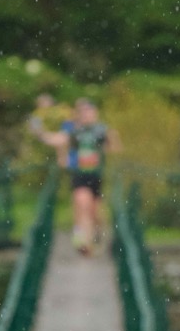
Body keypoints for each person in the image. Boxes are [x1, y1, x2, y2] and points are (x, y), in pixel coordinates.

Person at [39, 99, 120, 254]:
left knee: (96, 212)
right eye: (83, 113)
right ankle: (83, 241)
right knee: (82, 204)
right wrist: (61, 156)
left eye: (89, 112)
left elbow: (114, 149)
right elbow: (60, 141)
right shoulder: (75, 131)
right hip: (79, 175)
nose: (86, 116)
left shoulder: (101, 130)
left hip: (96, 175)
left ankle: (99, 233)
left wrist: (112, 140)